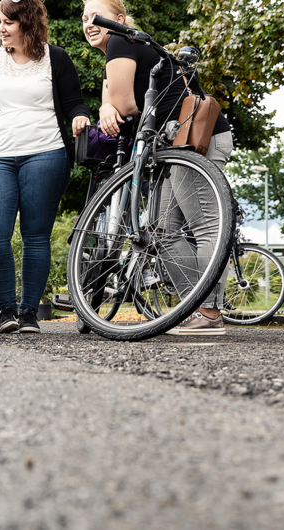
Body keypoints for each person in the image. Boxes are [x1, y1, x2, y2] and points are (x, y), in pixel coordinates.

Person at [82, 0, 235, 335]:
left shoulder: (122, 41)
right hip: (172, 146)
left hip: (198, 141)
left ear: (119, 20)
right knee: (159, 229)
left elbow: (123, 106)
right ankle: (192, 307)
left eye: (96, 16)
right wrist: (107, 105)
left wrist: (109, 106)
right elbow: (117, 101)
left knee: (206, 224)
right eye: (84, 18)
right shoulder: (125, 47)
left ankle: (208, 313)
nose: (88, 23)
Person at [0, 0, 90, 334]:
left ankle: (29, 312)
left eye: (8, 23)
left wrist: (80, 116)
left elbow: (74, 102)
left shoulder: (55, 58)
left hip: (46, 153)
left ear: (26, 23)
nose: (0, 28)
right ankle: (6, 311)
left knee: (35, 235)